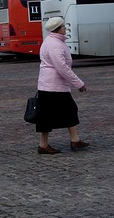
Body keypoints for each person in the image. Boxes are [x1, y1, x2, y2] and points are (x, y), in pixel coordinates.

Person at [36, 17, 88, 155]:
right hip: (54, 86)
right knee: (63, 111)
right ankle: (45, 145)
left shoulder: (51, 41)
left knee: (68, 110)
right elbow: (62, 67)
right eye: (63, 27)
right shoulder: (55, 44)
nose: (65, 28)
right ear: (58, 29)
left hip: (49, 85)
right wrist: (79, 83)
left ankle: (74, 140)